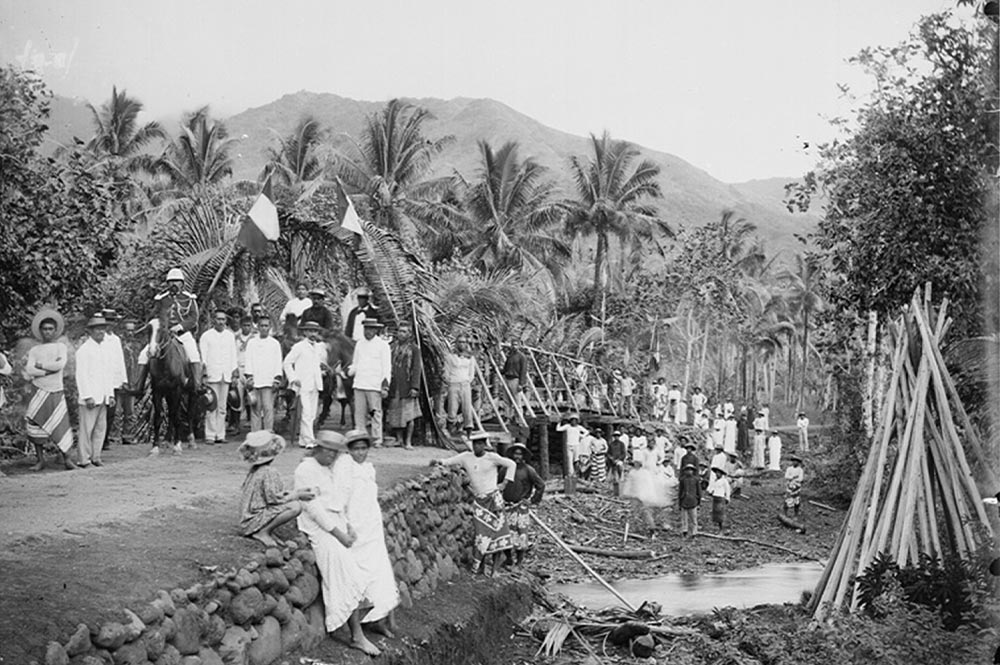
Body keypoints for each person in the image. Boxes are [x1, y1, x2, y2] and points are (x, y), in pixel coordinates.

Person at [293, 430, 384, 657]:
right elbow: (313, 508)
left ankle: (361, 626)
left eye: (336, 453)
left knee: (361, 564)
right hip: (318, 528)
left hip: (335, 522)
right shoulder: (306, 469)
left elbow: (336, 503)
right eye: (329, 452)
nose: (332, 457)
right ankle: (356, 636)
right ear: (318, 448)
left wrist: (347, 526)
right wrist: (338, 534)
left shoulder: (328, 468)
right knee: (345, 571)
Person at [332, 430, 400, 638]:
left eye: (364, 449)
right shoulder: (344, 468)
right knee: (361, 572)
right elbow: (340, 499)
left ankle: (380, 618)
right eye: (356, 449)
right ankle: (362, 620)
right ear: (349, 450)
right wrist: (346, 524)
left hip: (372, 526)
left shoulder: (368, 469)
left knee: (380, 571)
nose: (360, 453)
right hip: (356, 526)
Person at [430, 431, 516, 576]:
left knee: (498, 533)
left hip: (494, 499)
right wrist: (438, 461)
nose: (477, 446)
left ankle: (494, 570)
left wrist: (504, 483)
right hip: (479, 500)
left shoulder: (492, 458)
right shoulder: (466, 457)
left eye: (480, 444)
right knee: (481, 534)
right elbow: (449, 461)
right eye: (475, 444)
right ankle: (480, 567)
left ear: (484, 445)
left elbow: (511, 464)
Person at [23, 309, 77, 471]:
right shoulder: (34, 350)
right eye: (44, 329)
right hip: (39, 391)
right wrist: (47, 370)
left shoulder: (60, 347)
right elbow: (30, 370)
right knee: (35, 423)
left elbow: (59, 365)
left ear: (55, 331)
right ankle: (40, 460)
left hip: (56, 390)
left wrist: (40, 366)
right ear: (40, 331)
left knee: (60, 424)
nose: (47, 332)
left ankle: (66, 459)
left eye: (50, 329)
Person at [238, 431, 313, 547]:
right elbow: (274, 499)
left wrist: (296, 492)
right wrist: (297, 495)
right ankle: (263, 532)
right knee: (295, 507)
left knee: (292, 502)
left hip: (248, 518)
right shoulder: (269, 472)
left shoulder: (255, 470)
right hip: (252, 520)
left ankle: (265, 530)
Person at [76, 315, 120, 467]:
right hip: (91, 396)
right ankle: (83, 459)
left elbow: (107, 374)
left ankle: (96, 456)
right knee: (86, 429)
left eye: (103, 329)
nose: (101, 332)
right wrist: (87, 396)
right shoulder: (84, 350)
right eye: (97, 329)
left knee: (101, 428)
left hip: (103, 395)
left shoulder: (105, 350)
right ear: (90, 332)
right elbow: (81, 375)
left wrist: (110, 394)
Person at [149, 267, 203, 390]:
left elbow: (194, 317)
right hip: (163, 336)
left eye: (177, 281)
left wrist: (180, 326)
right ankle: (139, 386)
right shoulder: (161, 299)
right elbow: (154, 316)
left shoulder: (189, 298)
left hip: (183, 335)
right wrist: (161, 327)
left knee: (194, 355)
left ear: (182, 284)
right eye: (171, 281)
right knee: (144, 355)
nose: (174, 284)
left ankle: (197, 386)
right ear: (167, 283)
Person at [349, 319, 391, 447]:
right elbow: (355, 363)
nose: (368, 331)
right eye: (366, 328)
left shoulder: (383, 345)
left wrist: (385, 386)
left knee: (375, 413)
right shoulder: (359, 344)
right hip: (360, 383)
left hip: (374, 384)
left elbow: (387, 367)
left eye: (371, 329)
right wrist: (349, 371)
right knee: (359, 413)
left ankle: (377, 439)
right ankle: (360, 437)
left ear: (376, 330)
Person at [501, 442, 545, 566]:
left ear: (524, 456)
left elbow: (540, 485)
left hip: (521, 506)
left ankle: (519, 561)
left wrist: (532, 500)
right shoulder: (505, 469)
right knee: (506, 533)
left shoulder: (528, 470)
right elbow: (498, 484)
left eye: (520, 454)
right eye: (515, 454)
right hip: (507, 506)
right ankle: (508, 558)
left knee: (522, 534)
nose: (517, 457)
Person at [283, 320, 325, 448]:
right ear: (305, 332)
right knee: (306, 412)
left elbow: (315, 365)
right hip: (303, 384)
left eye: (315, 331)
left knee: (312, 414)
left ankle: (303, 438)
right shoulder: (299, 347)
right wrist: (293, 378)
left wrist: (321, 373)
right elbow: (287, 363)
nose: (313, 334)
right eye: (310, 331)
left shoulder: (318, 347)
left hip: (315, 383)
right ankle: (310, 440)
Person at [200, 310, 239, 444]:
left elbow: (233, 355)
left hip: (225, 374)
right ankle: (210, 435)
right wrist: (204, 374)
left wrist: (234, 372)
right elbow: (203, 356)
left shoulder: (230, 336)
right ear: (213, 320)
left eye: (223, 319)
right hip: (212, 374)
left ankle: (220, 434)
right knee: (211, 406)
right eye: (218, 319)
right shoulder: (206, 336)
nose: (221, 322)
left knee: (222, 407)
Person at [622, 435, 670, 535]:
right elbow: (641, 462)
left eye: (653, 442)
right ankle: (644, 524)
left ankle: (658, 521)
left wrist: (658, 464)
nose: (651, 443)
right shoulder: (643, 452)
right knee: (640, 505)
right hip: (646, 471)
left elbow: (661, 459)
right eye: (650, 442)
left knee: (655, 494)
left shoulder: (657, 451)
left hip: (653, 472)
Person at [244, 314, 283, 432]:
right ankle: (255, 434)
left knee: (268, 408)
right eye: (261, 326)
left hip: (269, 380)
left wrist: (277, 379)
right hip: (255, 380)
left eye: (266, 326)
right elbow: (248, 360)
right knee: (255, 408)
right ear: (258, 327)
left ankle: (268, 433)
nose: (264, 328)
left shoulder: (274, 343)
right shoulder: (252, 343)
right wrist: (249, 377)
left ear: (270, 327)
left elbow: (278, 362)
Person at [387, 325, 422, 449]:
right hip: (395, 386)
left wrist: (415, 387)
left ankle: (408, 441)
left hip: (407, 386)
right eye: (399, 331)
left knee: (409, 416)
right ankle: (399, 439)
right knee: (396, 415)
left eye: (404, 331)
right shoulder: (392, 347)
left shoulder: (414, 349)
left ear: (409, 334)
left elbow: (417, 368)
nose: (400, 334)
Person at [99, 309, 129, 450]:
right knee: (100, 410)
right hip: (101, 379)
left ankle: (105, 440)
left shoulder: (116, 339)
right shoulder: (98, 338)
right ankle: (98, 439)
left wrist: (123, 379)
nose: (109, 324)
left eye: (112, 321)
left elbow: (120, 359)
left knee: (111, 412)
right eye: (107, 321)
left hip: (114, 380)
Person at [444, 337, 477, 432]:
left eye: (464, 342)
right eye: (460, 342)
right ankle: (451, 428)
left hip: (465, 384)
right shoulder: (450, 356)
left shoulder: (470, 357)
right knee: (452, 408)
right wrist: (450, 381)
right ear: (456, 343)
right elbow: (447, 371)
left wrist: (467, 381)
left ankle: (468, 430)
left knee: (467, 409)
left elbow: (471, 372)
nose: (462, 344)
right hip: (454, 384)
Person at [500, 345, 528, 418]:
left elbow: (523, 371)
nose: (514, 347)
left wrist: (521, 384)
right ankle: (508, 417)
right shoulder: (510, 356)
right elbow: (505, 369)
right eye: (513, 345)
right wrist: (498, 370)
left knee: (517, 401)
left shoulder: (522, 357)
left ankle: (519, 419)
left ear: (519, 346)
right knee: (506, 401)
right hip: (507, 379)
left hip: (515, 380)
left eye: (516, 345)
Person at [677, 464, 701, 538]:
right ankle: (685, 531)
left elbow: (699, 492)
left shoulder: (696, 480)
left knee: (693, 518)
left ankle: (694, 533)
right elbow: (680, 491)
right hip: (684, 500)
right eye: (687, 470)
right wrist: (679, 503)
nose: (689, 471)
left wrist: (699, 503)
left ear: (693, 471)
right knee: (684, 518)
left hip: (693, 501)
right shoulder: (683, 480)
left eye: (690, 470)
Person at [709, 466, 731, 534]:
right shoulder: (715, 481)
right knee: (716, 515)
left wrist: (727, 497)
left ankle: (722, 529)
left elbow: (728, 490)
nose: (717, 474)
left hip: (721, 498)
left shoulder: (724, 481)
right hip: (715, 498)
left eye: (718, 473)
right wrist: (711, 491)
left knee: (721, 515)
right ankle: (718, 528)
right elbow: (712, 488)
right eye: (716, 473)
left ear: (721, 474)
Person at [606, 430, 627, 495]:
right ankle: (614, 491)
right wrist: (611, 458)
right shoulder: (611, 444)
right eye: (615, 436)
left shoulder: (621, 444)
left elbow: (624, 453)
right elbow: (608, 453)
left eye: (617, 436)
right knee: (613, 477)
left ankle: (621, 490)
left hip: (619, 461)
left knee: (620, 471)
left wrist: (619, 459)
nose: (616, 437)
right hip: (612, 462)